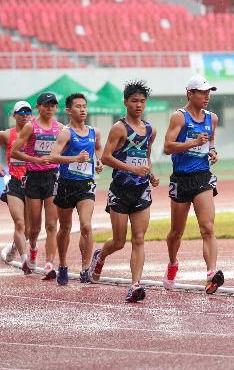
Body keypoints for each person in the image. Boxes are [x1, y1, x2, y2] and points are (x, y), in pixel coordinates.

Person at [89, 80, 160, 302]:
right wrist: (132, 169)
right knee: (119, 242)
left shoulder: (150, 130)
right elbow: (105, 157)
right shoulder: (119, 128)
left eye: (142, 101)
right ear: (126, 102)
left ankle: (135, 285)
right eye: (134, 101)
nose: (139, 105)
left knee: (138, 239)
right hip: (120, 190)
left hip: (141, 191)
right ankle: (100, 257)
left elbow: (145, 158)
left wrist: (149, 174)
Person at [162, 77, 223, 294]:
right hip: (181, 178)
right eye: (203, 92)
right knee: (176, 233)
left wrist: (213, 151)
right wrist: (193, 143)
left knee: (207, 228)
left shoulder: (212, 118)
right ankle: (172, 264)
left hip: (202, 177)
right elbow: (168, 147)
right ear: (190, 93)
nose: (207, 96)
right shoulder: (179, 117)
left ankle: (211, 274)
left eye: (209, 93)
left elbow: (211, 141)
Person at [48, 93, 103, 286]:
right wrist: (74, 159)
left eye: (85, 106)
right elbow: (52, 157)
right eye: (78, 107)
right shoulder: (66, 133)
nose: (82, 110)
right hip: (66, 184)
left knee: (86, 226)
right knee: (65, 228)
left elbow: (98, 149)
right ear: (69, 110)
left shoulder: (94, 131)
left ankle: (85, 268)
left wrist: (100, 161)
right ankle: (62, 265)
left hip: (86, 184)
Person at [11, 92, 63, 280]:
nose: (50, 108)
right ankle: (33, 248)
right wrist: (35, 160)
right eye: (46, 105)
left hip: (52, 177)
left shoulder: (60, 128)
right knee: (34, 227)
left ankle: (49, 264)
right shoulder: (30, 127)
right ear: (39, 107)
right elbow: (15, 152)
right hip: (33, 177)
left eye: (53, 105)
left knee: (51, 224)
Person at [0, 100, 32, 272]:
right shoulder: (6, 135)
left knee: (29, 230)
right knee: (19, 224)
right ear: (14, 115)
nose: (24, 115)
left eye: (27, 112)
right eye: (20, 112)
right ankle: (24, 260)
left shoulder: (36, 134)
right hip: (14, 183)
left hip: (33, 184)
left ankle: (14, 246)